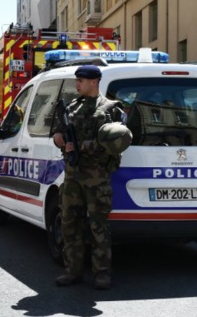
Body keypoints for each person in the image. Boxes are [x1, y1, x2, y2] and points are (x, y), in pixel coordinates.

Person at [52, 65, 127, 290]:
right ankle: (72, 270)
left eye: (81, 81)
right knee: (69, 223)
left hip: (97, 177)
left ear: (94, 81)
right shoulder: (71, 108)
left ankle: (102, 273)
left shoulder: (111, 109)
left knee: (98, 225)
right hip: (73, 176)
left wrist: (82, 146)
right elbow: (58, 133)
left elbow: (116, 143)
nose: (77, 84)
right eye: (77, 81)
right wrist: (59, 139)